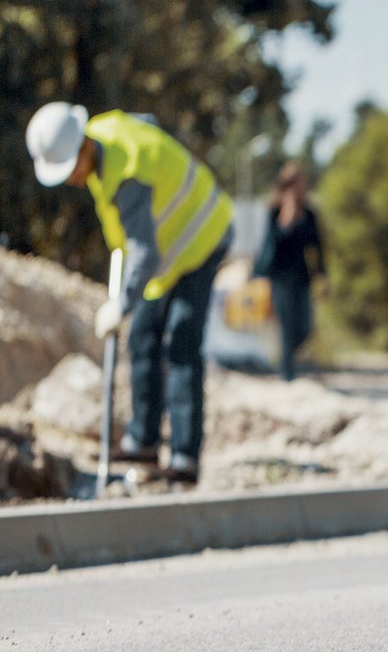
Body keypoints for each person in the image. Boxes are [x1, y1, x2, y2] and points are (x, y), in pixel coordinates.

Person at [25, 102, 233, 484]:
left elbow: (145, 252)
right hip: (167, 256)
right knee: (142, 337)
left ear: (85, 147)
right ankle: (143, 441)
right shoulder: (104, 135)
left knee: (181, 342)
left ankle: (185, 459)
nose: (70, 179)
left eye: (69, 169)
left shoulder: (127, 174)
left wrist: (122, 302)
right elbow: (147, 123)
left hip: (201, 237)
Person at [254, 161, 327, 381]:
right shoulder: (274, 212)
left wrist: (323, 274)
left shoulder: (309, 214)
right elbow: (270, 245)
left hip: (302, 277)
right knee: (286, 326)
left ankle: (288, 364)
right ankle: (287, 375)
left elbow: (318, 246)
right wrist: (285, 222)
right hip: (280, 277)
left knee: (304, 327)